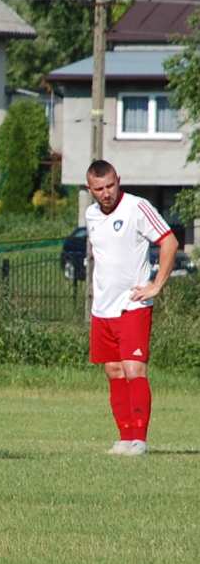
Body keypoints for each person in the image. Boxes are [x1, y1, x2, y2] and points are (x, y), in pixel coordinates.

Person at [85, 160, 176, 456]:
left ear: (118, 180)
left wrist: (156, 285)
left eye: (110, 185)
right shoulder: (91, 215)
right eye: (99, 188)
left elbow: (170, 242)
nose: (106, 193)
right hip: (102, 309)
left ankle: (140, 438)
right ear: (91, 190)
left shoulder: (138, 207)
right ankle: (124, 437)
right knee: (113, 371)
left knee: (134, 368)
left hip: (132, 305)